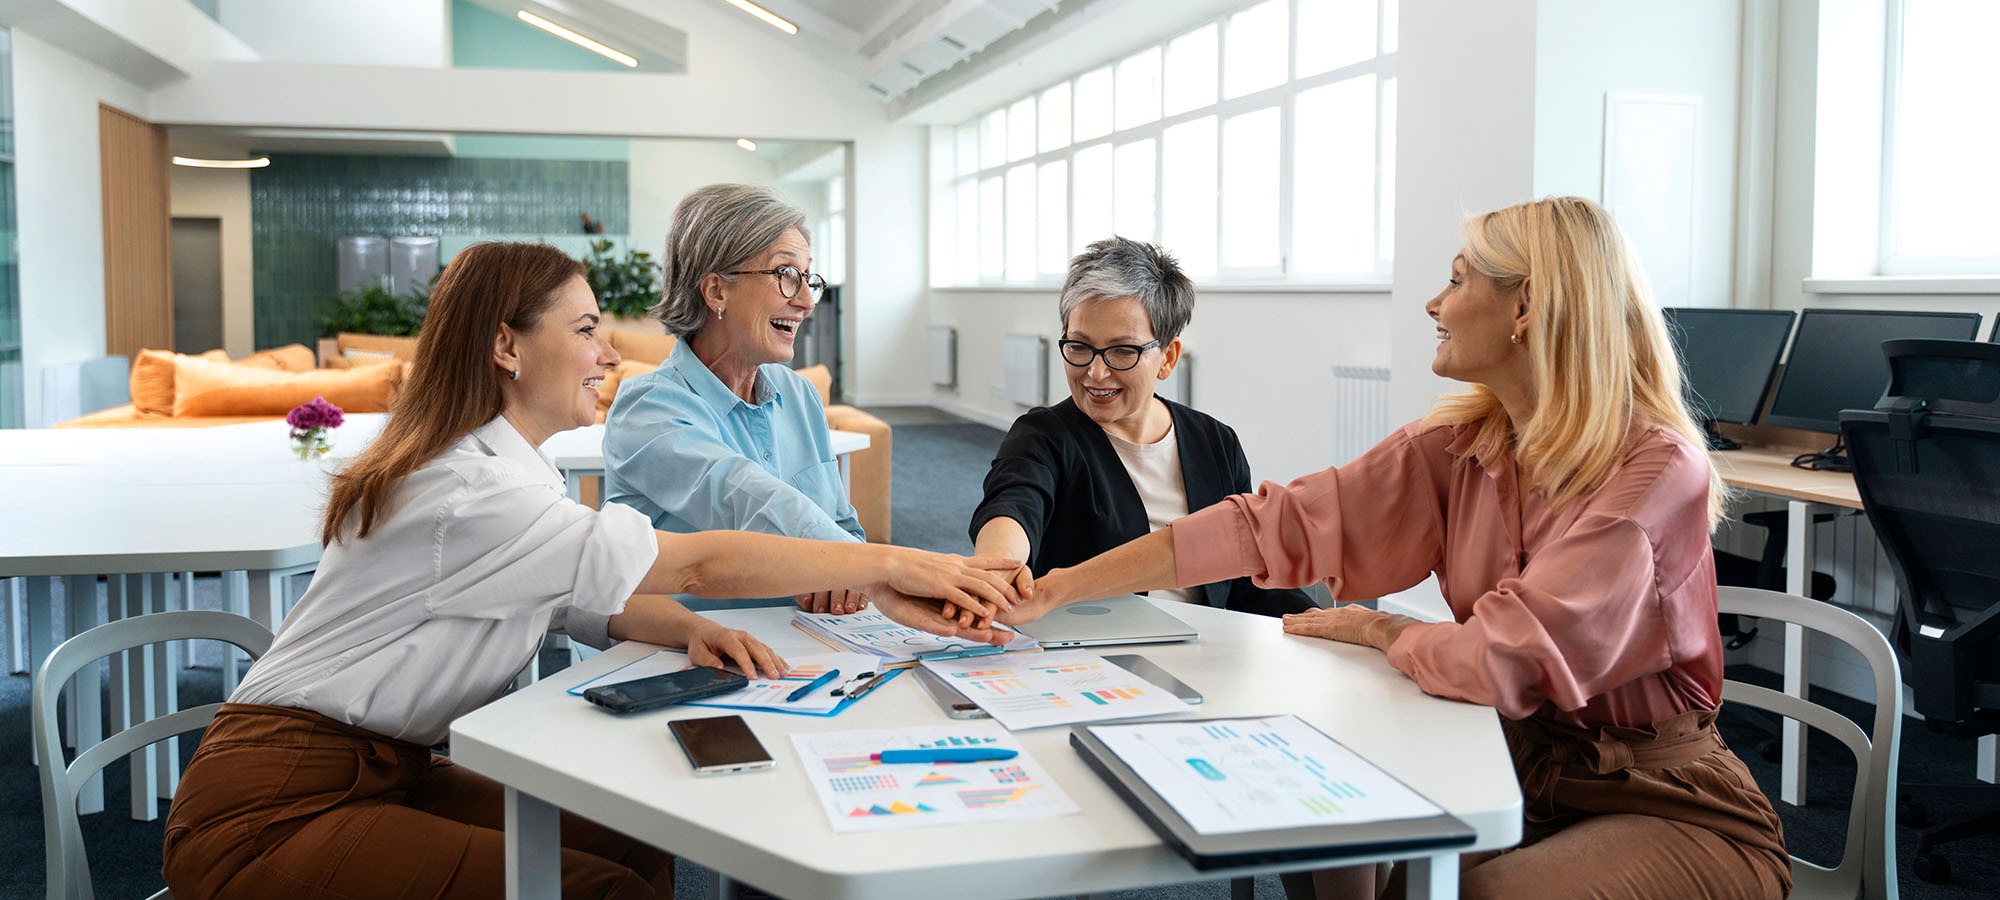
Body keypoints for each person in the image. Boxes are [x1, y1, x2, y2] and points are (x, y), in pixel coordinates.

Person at [161, 242, 1017, 900]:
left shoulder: (508, 467)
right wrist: (892, 563)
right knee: (595, 890)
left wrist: (689, 627)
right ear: (506, 345)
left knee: (627, 831)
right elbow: (701, 558)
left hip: (391, 764)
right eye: (584, 331)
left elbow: (584, 600)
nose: (610, 354)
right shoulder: (471, 489)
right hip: (274, 808)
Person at [1004, 198, 1790, 900]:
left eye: (1457, 280)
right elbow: (1265, 525)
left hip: (1663, 798)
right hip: (1510, 761)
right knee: (1337, 821)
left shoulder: (1656, 468)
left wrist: (1386, 631)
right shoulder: (1460, 443)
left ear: (1527, 307)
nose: (1433, 302)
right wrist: (1059, 587)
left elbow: (1500, 657)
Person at [970, 237, 1313, 617]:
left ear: (1167, 358)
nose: (1095, 372)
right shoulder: (1043, 436)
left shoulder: (1215, 441)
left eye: (1122, 351)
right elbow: (1012, 507)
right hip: (1098, 654)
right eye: (1080, 346)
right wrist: (996, 567)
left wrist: (1328, 624)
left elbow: (1246, 577)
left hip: (1209, 647)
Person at [605, 183, 871, 615]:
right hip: (680, 652)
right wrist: (879, 568)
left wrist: (848, 577)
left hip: (804, 639)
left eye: (809, 279)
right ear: (716, 291)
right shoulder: (648, 408)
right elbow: (748, 500)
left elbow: (842, 525)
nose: (805, 302)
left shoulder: (799, 395)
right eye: (786, 275)